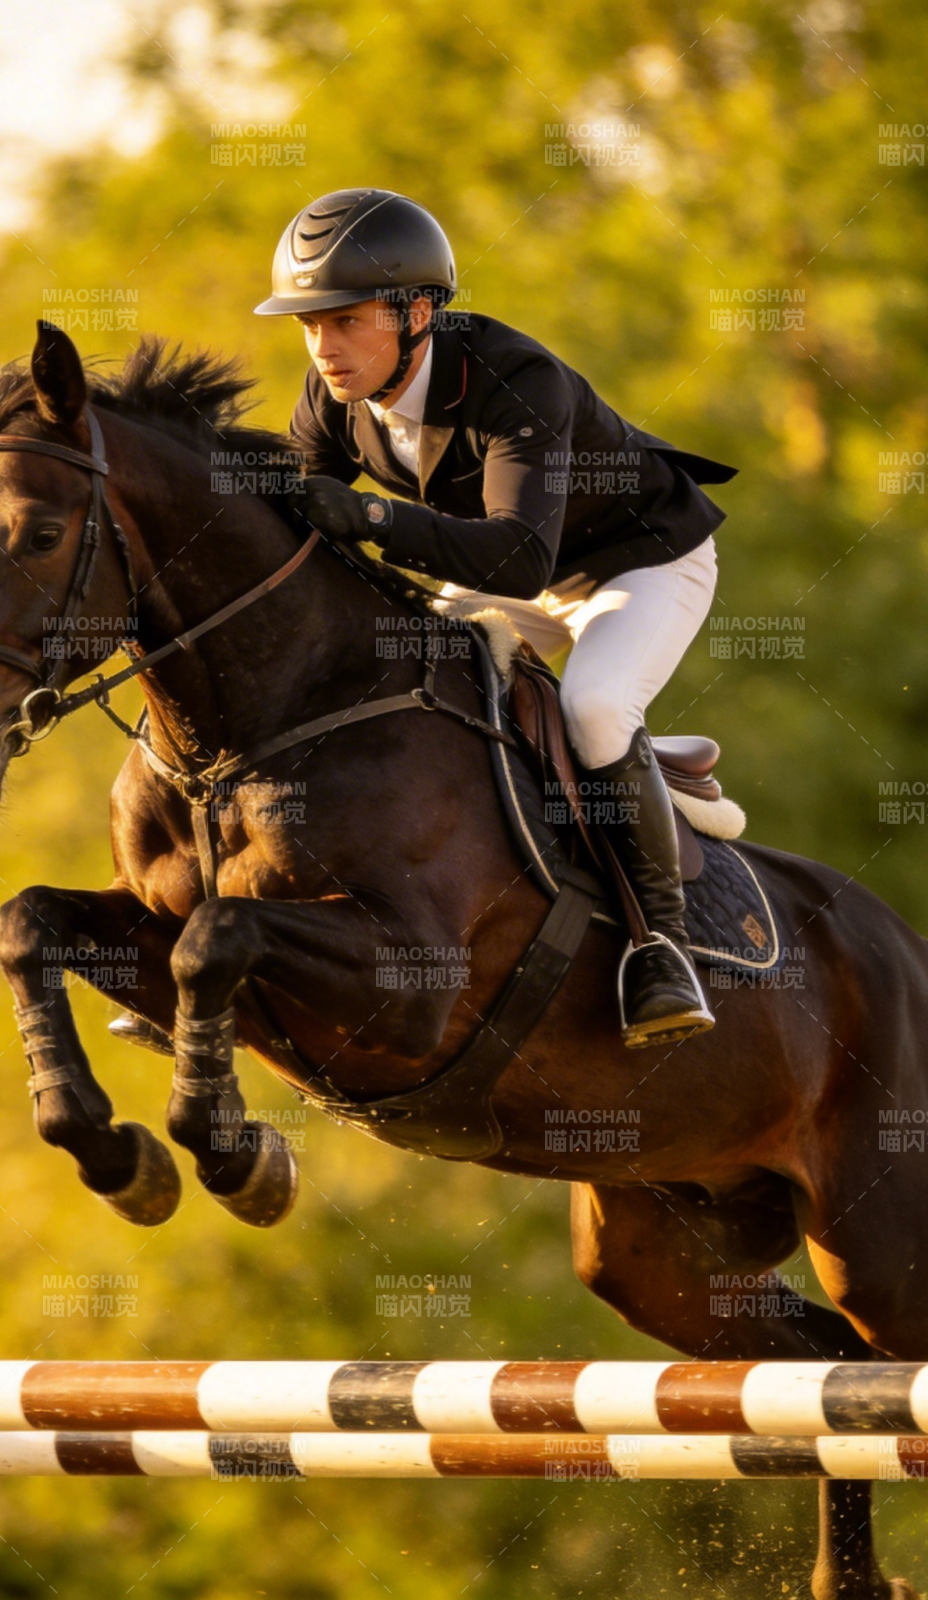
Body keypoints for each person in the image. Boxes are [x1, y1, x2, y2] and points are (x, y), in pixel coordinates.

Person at [255, 188, 736, 1045]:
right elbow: (289, 518)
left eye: (346, 320)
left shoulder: (518, 381)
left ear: (416, 313)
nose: (324, 347)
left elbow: (518, 560)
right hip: (514, 565)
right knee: (402, 673)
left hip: (639, 561)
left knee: (595, 707)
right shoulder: (336, 395)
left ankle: (662, 946)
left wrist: (372, 516)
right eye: (310, 324)